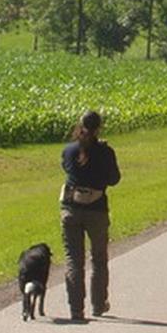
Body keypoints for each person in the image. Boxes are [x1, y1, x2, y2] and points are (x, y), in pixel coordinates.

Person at [60, 110, 120, 321]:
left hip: (71, 209)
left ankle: (76, 309)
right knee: (99, 259)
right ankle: (98, 304)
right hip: (97, 210)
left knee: (74, 260)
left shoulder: (69, 151)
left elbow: (66, 168)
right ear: (99, 128)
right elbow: (114, 179)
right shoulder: (106, 152)